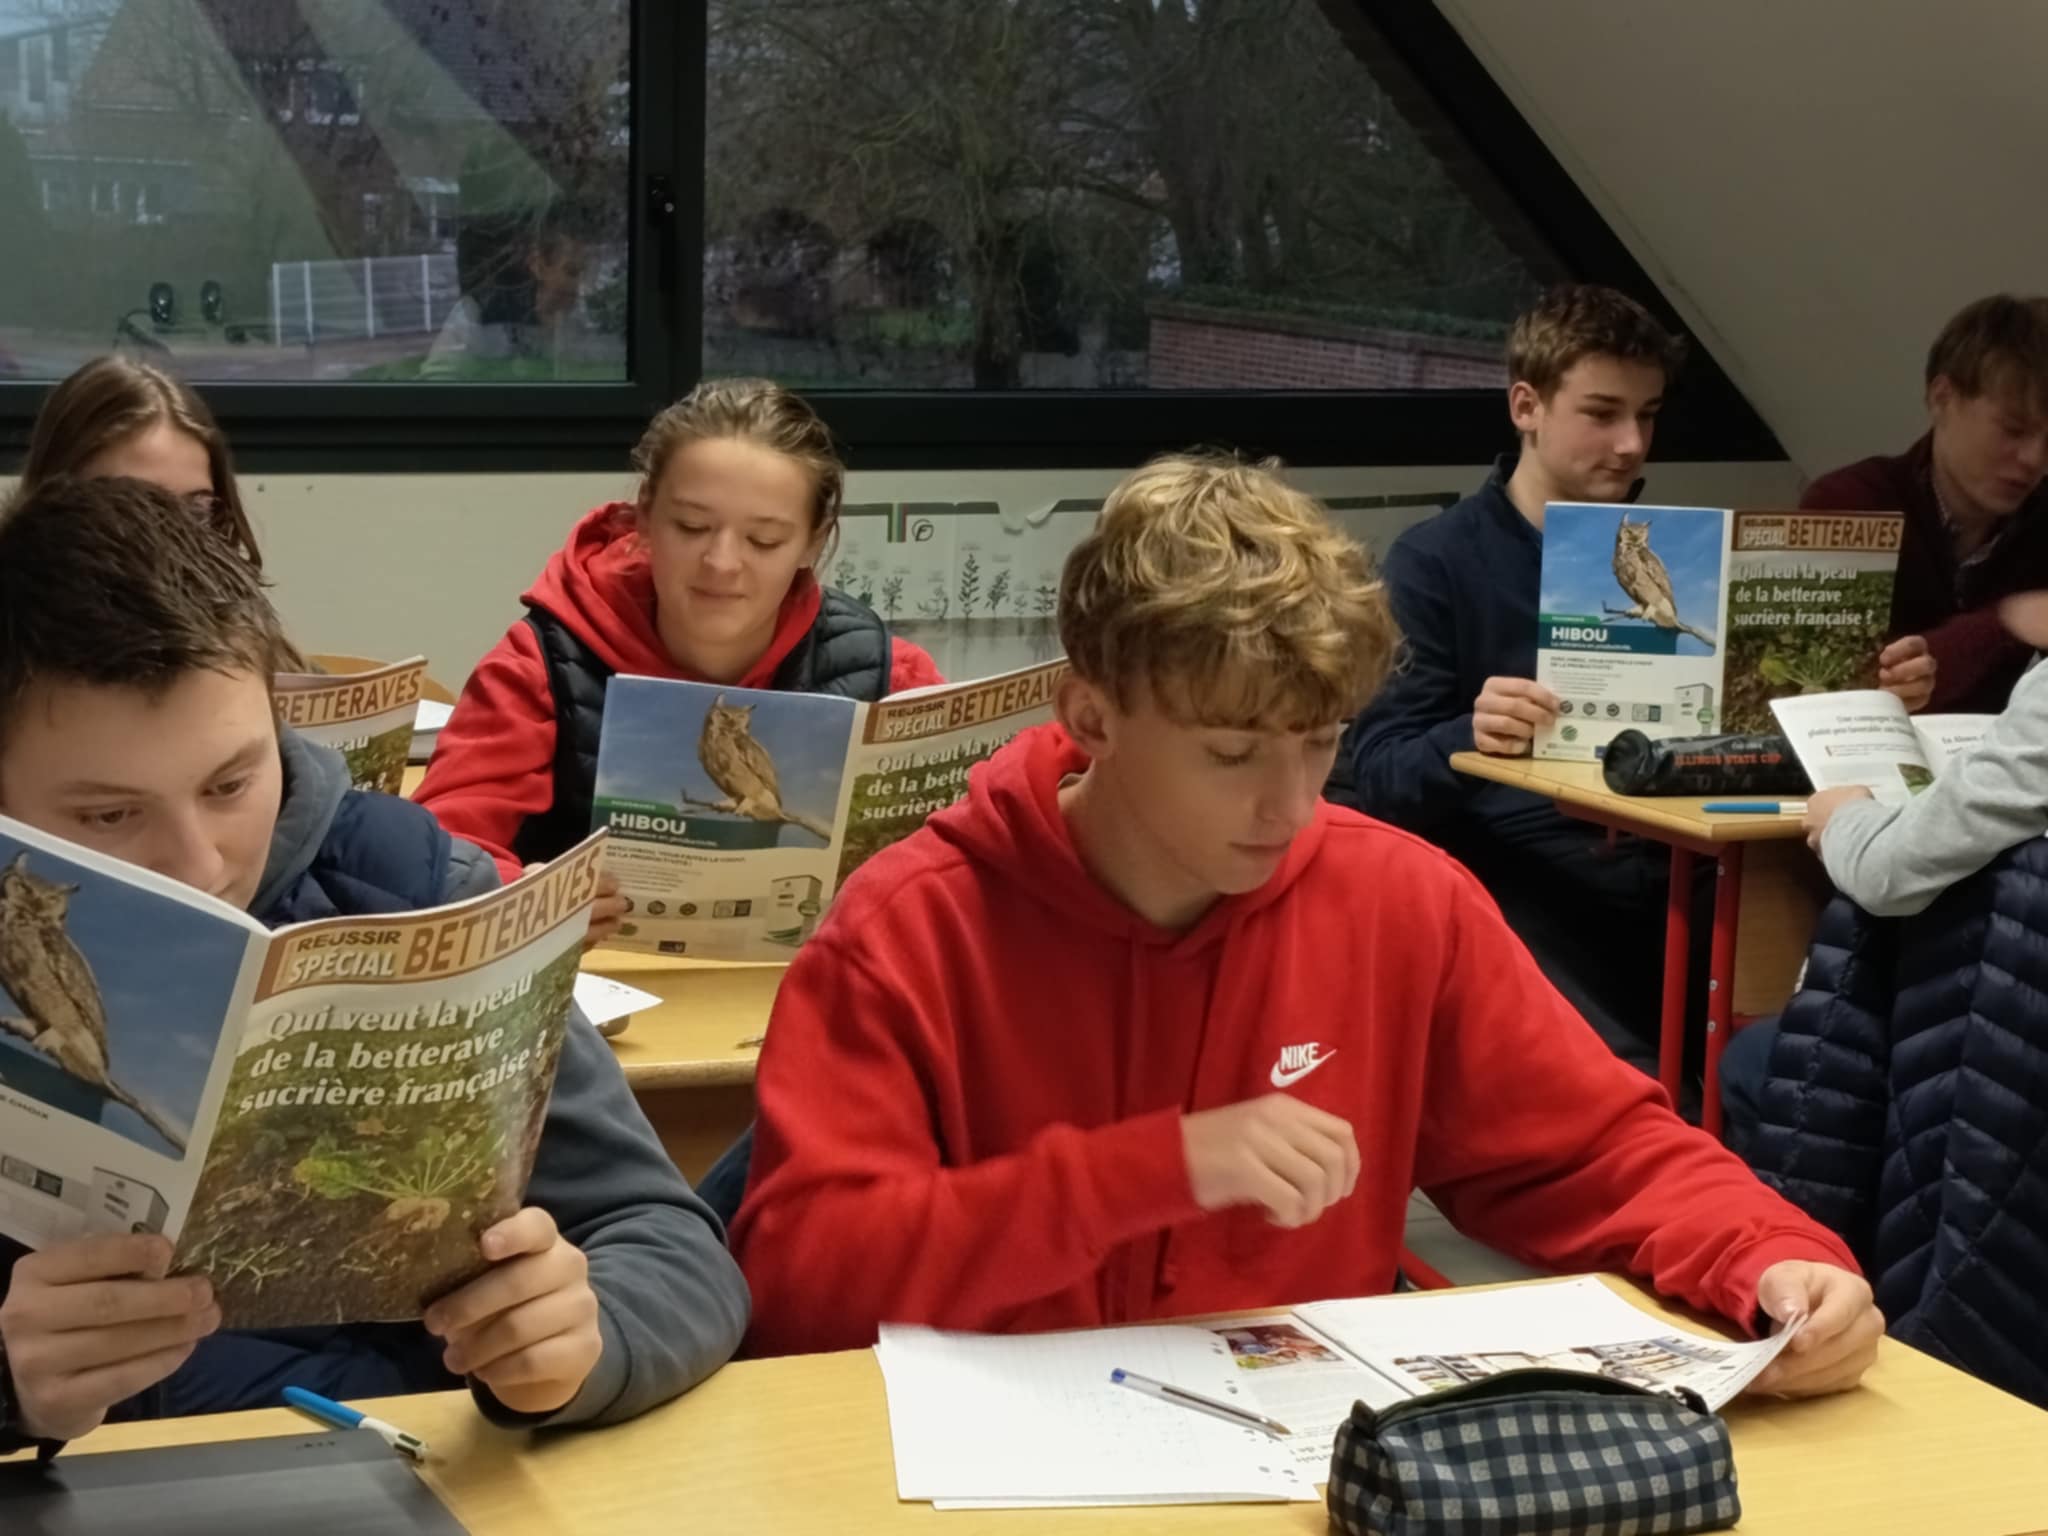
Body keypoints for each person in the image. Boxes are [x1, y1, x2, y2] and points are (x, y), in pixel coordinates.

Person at [731, 452, 1881, 1405]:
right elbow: (801, 1288)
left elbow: (1587, 1151)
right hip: (981, 1465)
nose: (1287, 808)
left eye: (1319, 744)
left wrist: (1764, 1254)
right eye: (1230, 755)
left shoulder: (1398, 899)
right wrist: (1147, 1172)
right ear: (1092, 717)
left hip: (1294, 1464)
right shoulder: (907, 928)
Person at [0, 477, 749, 1453]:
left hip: (417, 1462)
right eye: (108, 814)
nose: (200, 861)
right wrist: (11, 1386)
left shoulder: (419, 890)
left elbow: (669, 1244)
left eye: (231, 783)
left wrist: (580, 1343)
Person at [1333, 285, 1931, 1075]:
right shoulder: (1436, 560)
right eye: (1602, 413)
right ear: (1526, 406)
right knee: (1630, 1071)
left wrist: (1866, 695)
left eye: (1647, 416)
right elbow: (1376, 778)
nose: (1631, 444)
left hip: (1691, 852)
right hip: (1526, 865)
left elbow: (1756, 741)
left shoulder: (1679, 557)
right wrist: (1466, 735)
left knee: (1847, 1027)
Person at [415, 378, 942, 948]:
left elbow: (963, 851)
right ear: (643, 515)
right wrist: (522, 894)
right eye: (691, 527)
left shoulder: (888, 672)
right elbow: (435, 856)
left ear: (813, 543)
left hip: (809, 980)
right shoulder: (541, 664)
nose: (721, 562)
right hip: (595, 983)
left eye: (764, 540)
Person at [1801, 293, 2048, 713]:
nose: (2035, 459)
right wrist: (2007, 623)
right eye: (2013, 429)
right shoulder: (1850, 504)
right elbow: (1830, 690)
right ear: (1942, 398)